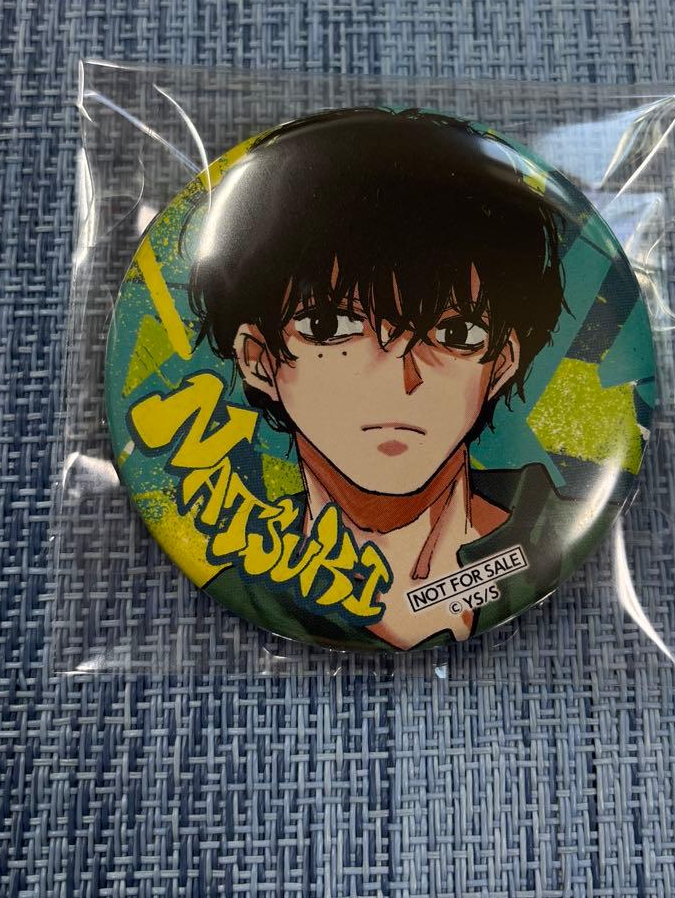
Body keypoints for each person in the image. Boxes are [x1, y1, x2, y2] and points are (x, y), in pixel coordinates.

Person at [187, 107, 588, 650]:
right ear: (258, 359)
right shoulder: (245, 580)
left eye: (455, 333)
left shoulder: (554, 533)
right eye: (330, 327)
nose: (400, 381)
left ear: (501, 363)